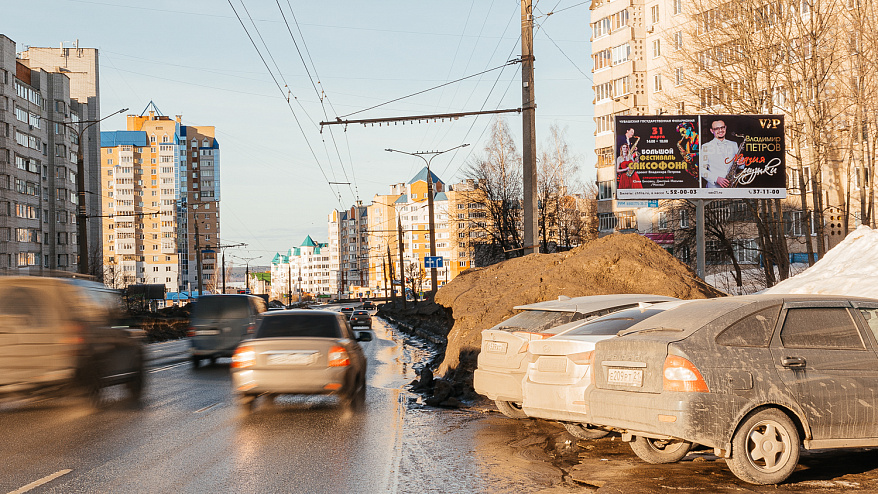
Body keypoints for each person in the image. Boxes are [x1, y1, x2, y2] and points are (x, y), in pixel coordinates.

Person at [701, 119, 743, 188]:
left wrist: (741, 163)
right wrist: (716, 179)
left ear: (725, 127)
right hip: (714, 188)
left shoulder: (734, 144)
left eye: (722, 127)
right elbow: (702, 170)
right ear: (712, 131)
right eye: (716, 128)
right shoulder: (706, 146)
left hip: (733, 187)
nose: (720, 130)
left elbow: (739, 167)